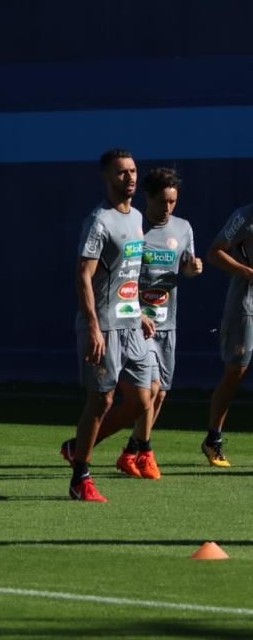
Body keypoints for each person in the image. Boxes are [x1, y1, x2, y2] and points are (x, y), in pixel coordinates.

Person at [60, 168, 201, 474]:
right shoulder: (128, 224)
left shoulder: (182, 228)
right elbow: (116, 274)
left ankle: (122, 449)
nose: (168, 208)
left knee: (156, 393)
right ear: (148, 198)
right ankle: (129, 454)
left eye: (173, 202)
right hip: (129, 322)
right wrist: (133, 313)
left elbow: (184, 268)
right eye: (163, 201)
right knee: (112, 397)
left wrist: (192, 268)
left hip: (166, 321)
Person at [68, 149, 154, 502]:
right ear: (107, 178)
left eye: (133, 171)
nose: (130, 178)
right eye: (122, 173)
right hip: (104, 328)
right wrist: (92, 327)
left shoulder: (136, 217)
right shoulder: (98, 221)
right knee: (101, 400)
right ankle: (80, 478)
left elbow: (127, 274)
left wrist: (140, 312)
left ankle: (76, 446)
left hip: (132, 324)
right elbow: (83, 275)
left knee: (141, 400)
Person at [202, 188, 253, 467]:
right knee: (236, 371)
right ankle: (213, 439)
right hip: (245, 305)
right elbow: (214, 252)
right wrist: (248, 272)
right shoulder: (244, 216)